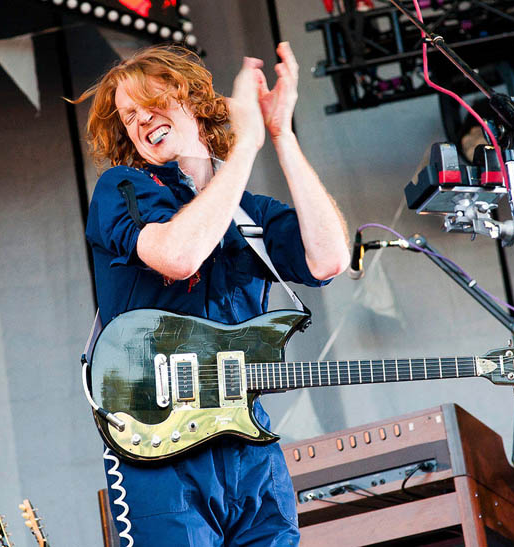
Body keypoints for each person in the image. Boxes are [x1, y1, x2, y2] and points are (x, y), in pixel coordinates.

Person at [76, 42, 349, 546]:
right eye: (129, 114)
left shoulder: (249, 213)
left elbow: (329, 258)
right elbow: (180, 255)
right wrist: (245, 146)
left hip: (248, 444)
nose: (141, 120)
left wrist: (280, 136)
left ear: (195, 103)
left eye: (153, 102)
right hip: (159, 443)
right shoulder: (123, 188)